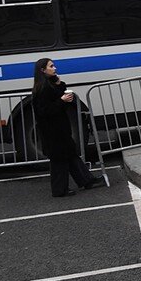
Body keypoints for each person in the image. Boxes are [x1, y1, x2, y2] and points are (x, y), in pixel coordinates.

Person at [31, 58, 101, 197]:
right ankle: (59, 190)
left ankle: (86, 180)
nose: (55, 68)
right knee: (59, 160)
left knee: (70, 154)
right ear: (43, 70)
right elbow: (44, 111)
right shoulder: (42, 89)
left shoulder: (50, 84)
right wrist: (61, 101)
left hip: (60, 129)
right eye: (51, 66)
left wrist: (59, 84)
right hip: (52, 131)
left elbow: (59, 92)